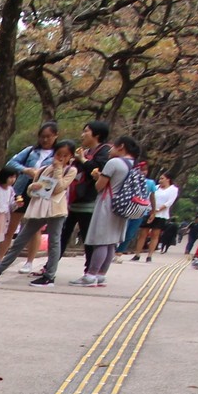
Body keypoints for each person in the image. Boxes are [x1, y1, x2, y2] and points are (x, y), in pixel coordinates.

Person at [0, 139, 78, 287]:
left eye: (65, 155)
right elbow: (32, 189)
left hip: (56, 210)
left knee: (54, 242)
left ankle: (49, 275)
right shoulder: (43, 169)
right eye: (58, 154)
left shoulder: (71, 170)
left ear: (70, 157)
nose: (61, 158)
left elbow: (59, 188)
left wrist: (58, 169)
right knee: (21, 239)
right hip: (39, 208)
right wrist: (34, 188)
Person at [71, 135, 141, 287]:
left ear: (121, 146)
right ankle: (101, 275)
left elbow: (100, 186)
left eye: (113, 146)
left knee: (101, 241)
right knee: (111, 242)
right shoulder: (133, 164)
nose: (110, 149)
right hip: (123, 206)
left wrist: (97, 176)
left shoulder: (114, 162)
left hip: (108, 204)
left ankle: (91, 275)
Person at [0, 121, 58, 271]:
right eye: (42, 137)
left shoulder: (57, 154)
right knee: (11, 225)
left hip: (41, 192)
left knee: (35, 228)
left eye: (48, 137)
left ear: (55, 136)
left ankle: (29, 261)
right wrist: (26, 170)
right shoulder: (30, 151)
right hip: (22, 190)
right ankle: (0, 259)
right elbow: (12, 163)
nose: (45, 140)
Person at [63, 121, 113, 265]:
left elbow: (97, 170)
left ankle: (90, 270)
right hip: (76, 199)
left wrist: (82, 160)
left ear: (97, 135)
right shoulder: (86, 151)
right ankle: (49, 268)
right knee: (63, 234)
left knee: (88, 236)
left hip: (90, 201)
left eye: (86, 131)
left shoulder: (105, 151)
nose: (82, 135)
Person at [132, 171, 179, 262]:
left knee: (155, 234)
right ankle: (137, 254)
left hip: (160, 214)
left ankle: (149, 255)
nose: (160, 180)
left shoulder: (173, 189)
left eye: (162, 178)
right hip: (149, 212)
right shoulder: (156, 188)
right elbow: (149, 197)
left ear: (168, 179)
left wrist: (157, 211)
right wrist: (151, 210)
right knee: (143, 233)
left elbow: (169, 202)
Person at [115, 161, 157, 261]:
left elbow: (152, 197)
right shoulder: (129, 179)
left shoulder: (150, 183)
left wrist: (153, 211)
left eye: (145, 170)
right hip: (126, 208)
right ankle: (112, 249)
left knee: (130, 233)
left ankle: (119, 253)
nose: (144, 172)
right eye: (141, 170)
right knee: (119, 230)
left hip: (140, 211)